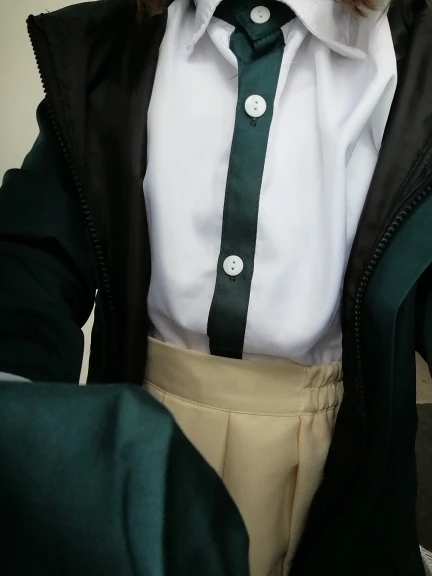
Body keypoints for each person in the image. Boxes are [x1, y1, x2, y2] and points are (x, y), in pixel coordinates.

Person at [0, 0, 431, 574]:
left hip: (346, 467)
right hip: (146, 453)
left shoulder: (413, 60)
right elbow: (32, 260)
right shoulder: (105, 52)